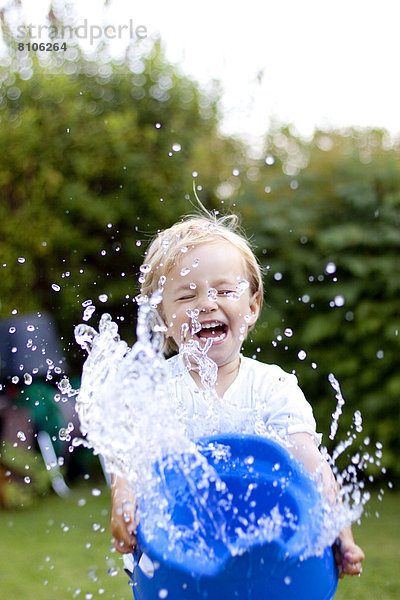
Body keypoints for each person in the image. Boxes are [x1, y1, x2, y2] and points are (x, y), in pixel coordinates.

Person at [110, 212, 364, 578]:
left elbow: (313, 468)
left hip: (266, 559)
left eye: (225, 291)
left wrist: (341, 535)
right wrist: (123, 500)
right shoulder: (155, 389)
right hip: (178, 562)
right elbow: (129, 457)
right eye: (186, 295)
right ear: (162, 318)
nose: (207, 304)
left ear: (252, 307)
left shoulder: (273, 388)